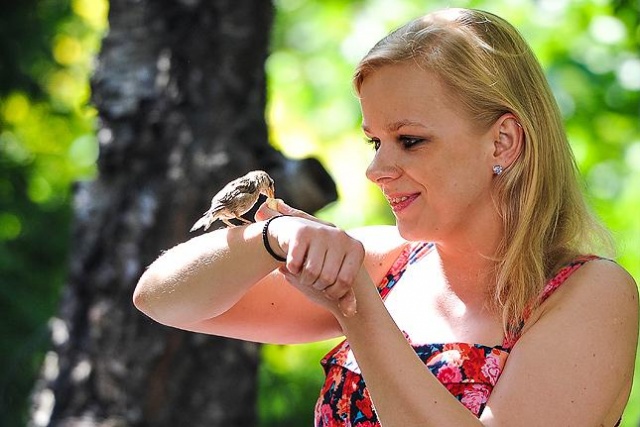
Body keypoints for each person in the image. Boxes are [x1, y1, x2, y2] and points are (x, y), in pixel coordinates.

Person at [133, 7, 638, 426]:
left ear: (502, 141)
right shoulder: (388, 263)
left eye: (410, 140)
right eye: (375, 141)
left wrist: (355, 306)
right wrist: (273, 235)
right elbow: (162, 299)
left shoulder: (591, 293)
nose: (376, 169)